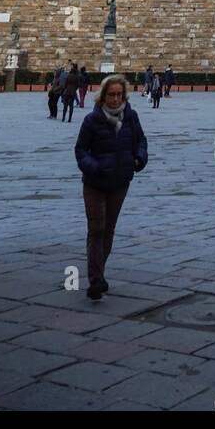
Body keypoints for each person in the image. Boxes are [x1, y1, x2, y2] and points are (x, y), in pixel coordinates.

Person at [74, 74, 148, 301]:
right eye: (111, 95)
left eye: (119, 95)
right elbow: (80, 150)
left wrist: (138, 160)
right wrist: (93, 168)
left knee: (108, 230)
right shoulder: (91, 120)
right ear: (103, 96)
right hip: (95, 182)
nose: (115, 99)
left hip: (119, 181)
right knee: (96, 228)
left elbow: (141, 142)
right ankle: (96, 279)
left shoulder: (131, 117)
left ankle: (98, 272)